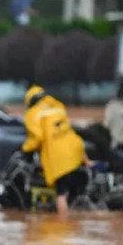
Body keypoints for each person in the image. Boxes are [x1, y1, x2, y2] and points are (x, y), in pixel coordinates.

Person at [22, 85, 92, 217]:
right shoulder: (58, 107)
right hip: (76, 153)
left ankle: (62, 225)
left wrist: (24, 148)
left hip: (59, 160)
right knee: (74, 192)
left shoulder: (32, 114)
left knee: (61, 194)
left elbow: (37, 138)